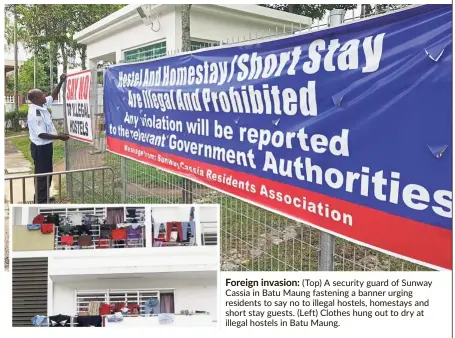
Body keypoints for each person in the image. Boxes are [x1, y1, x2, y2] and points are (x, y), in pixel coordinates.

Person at [27, 74, 69, 203]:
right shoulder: (35, 113)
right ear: (35, 99)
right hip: (40, 148)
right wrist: (59, 137)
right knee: (42, 176)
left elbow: (54, 95)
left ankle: (43, 197)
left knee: (47, 174)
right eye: (42, 95)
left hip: (46, 146)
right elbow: (41, 134)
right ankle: (40, 202)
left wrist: (61, 81)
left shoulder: (42, 104)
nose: (45, 96)